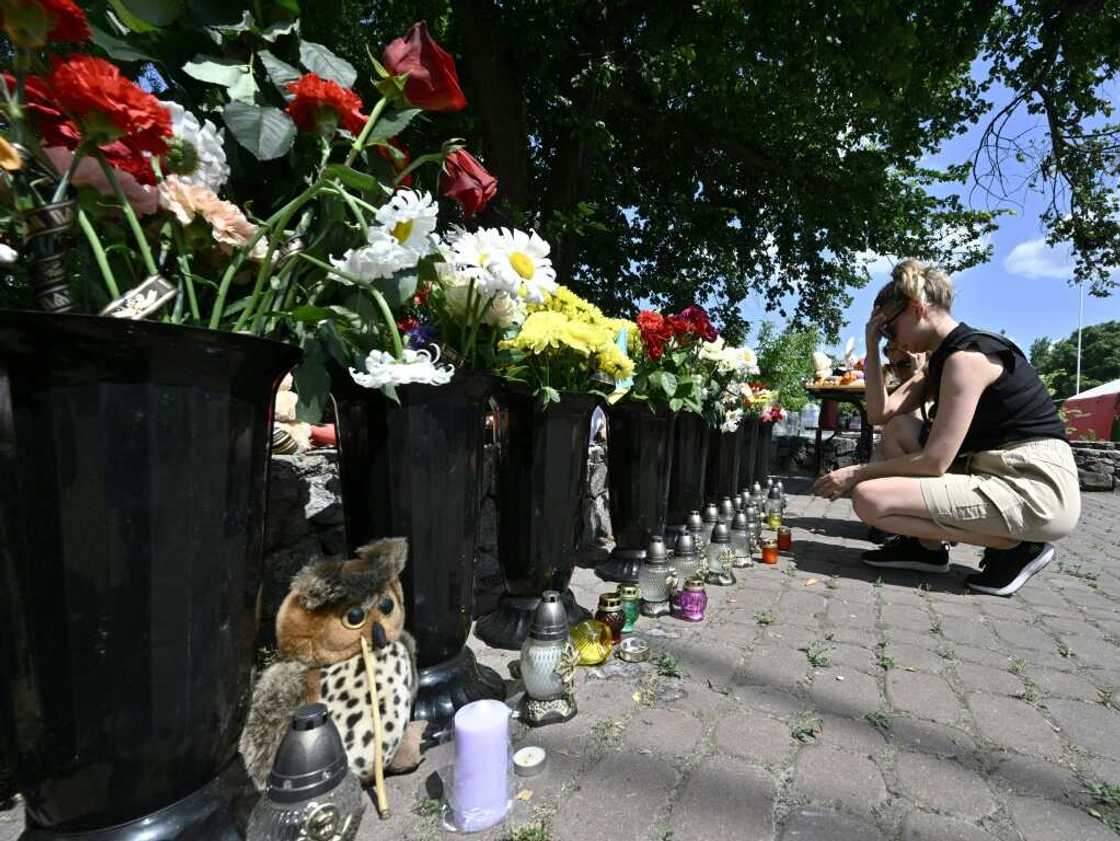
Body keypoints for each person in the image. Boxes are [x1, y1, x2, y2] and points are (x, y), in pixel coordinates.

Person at [811, 259, 1080, 596]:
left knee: (868, 499)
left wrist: (856, 473)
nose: (892, 341)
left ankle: (1020, 547)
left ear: (916, 308)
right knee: (900, 429)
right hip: (997, 470)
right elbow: (880, 415)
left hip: (1033, 487)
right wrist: (869, 347)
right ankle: (925, 549)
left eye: (889, 330)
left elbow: (934, 462)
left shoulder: (966, 359)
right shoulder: (945, 357)